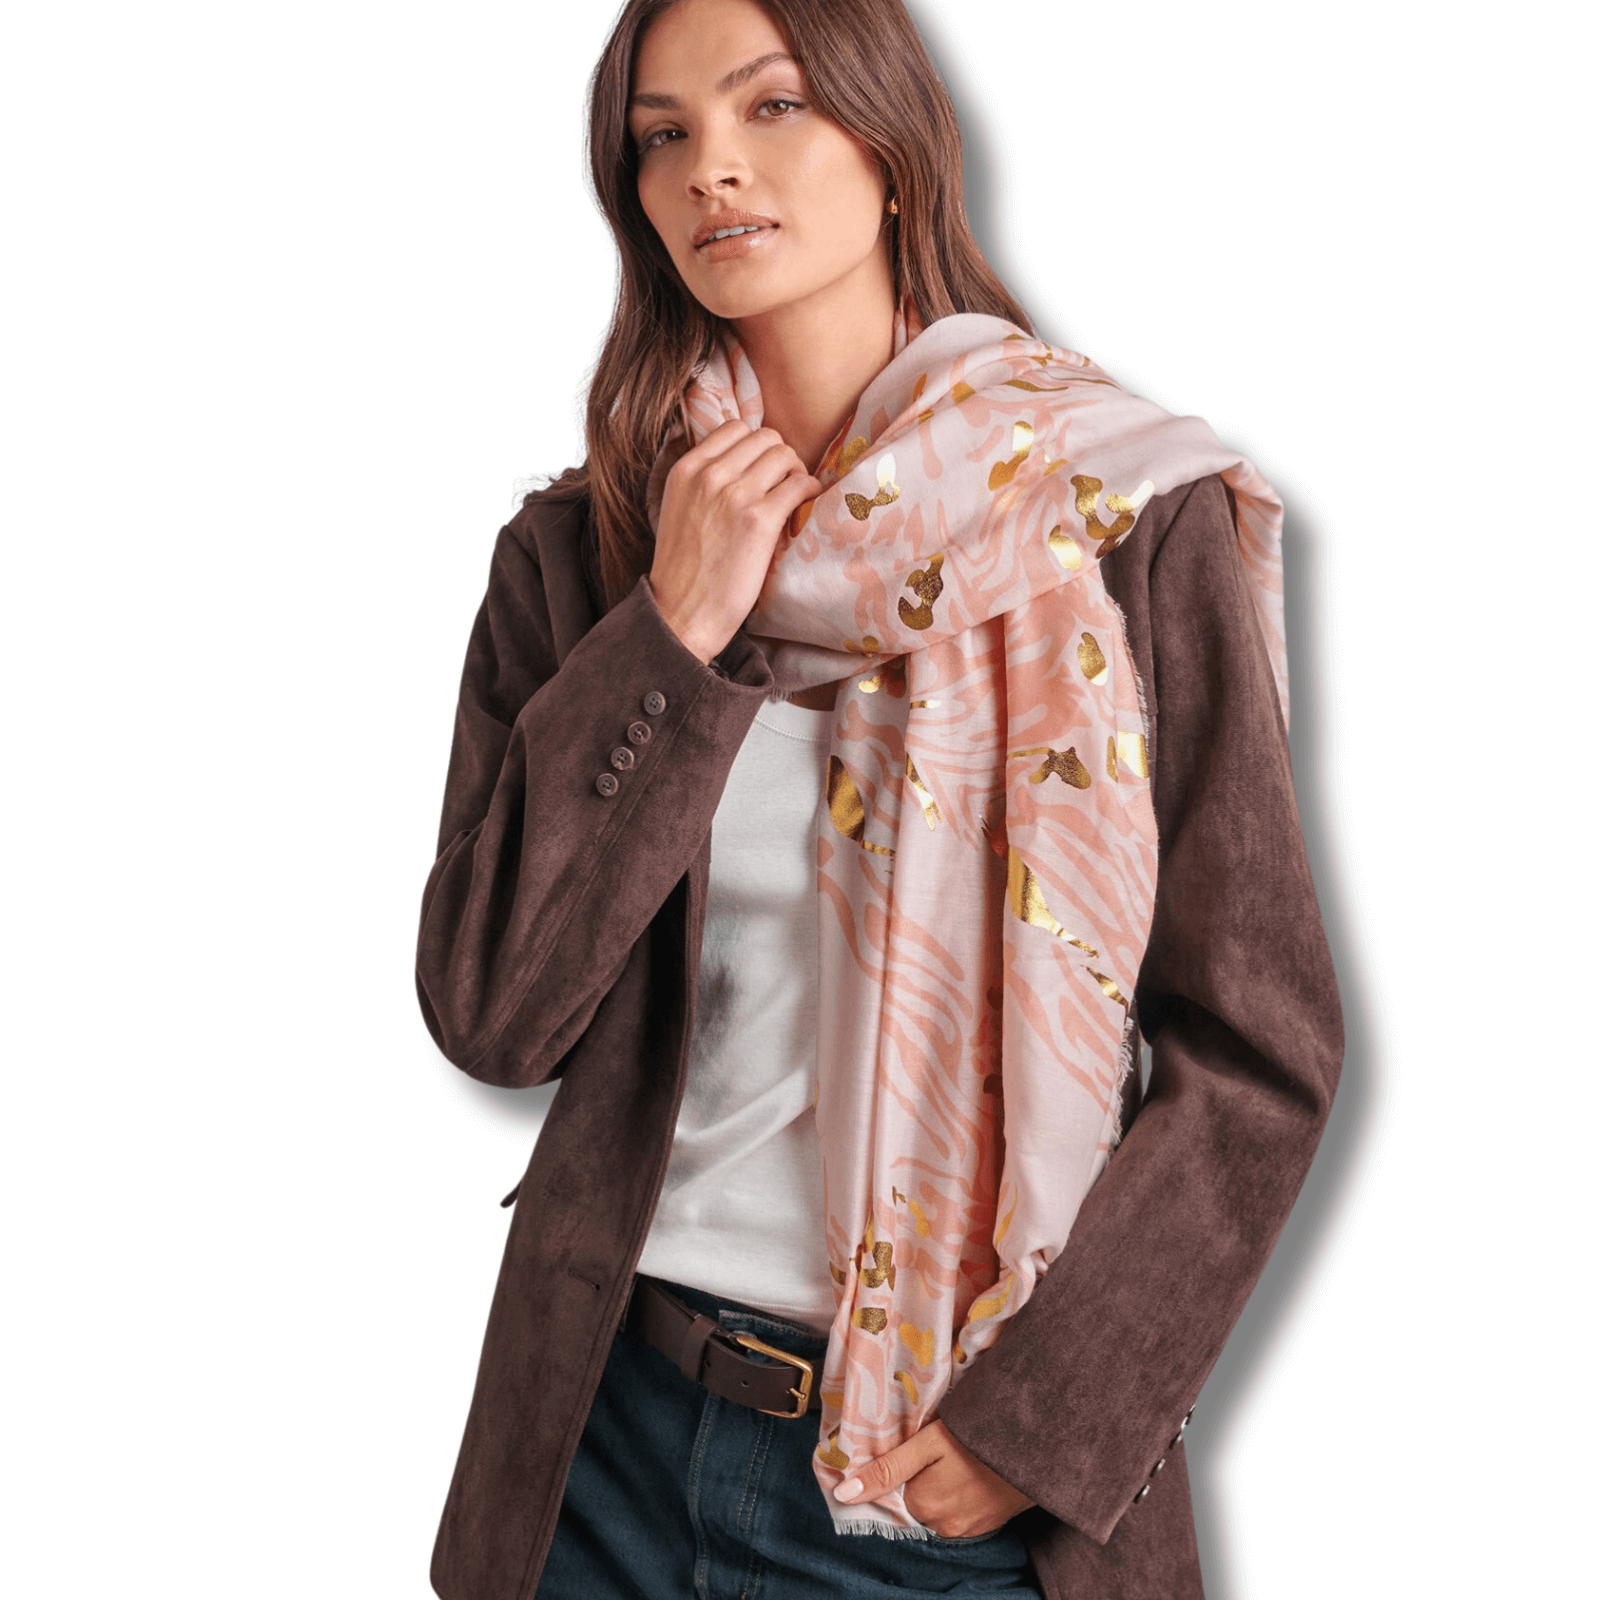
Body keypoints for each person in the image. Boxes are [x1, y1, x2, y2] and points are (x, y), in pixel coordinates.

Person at [413, 0, 1343, 1596]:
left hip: (931, 1490)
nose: (712, 167)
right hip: (600, 1448)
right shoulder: (587, 557)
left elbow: (1258, 1048)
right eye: (662, 135)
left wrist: (1044, 1425)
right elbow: (496, 1016)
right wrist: (673, 639)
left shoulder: (1112, 520)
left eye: (770, 107)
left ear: (892, 145)